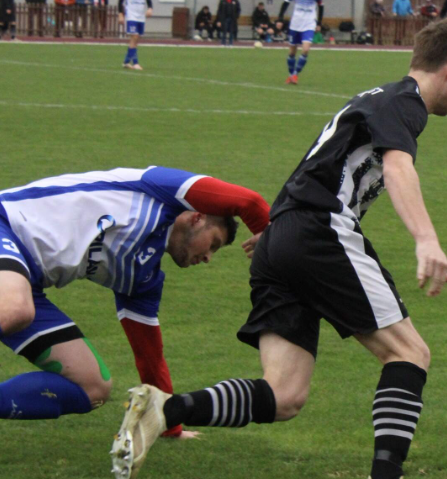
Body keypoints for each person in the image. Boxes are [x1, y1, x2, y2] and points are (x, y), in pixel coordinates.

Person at [110, 20, 447, 479]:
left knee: (284, 395)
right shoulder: (405, 101)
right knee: (410, 353)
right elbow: (398, 168)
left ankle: (163, 408)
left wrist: (280, 236)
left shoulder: (375, 98)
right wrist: (426, 239)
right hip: (318, 230)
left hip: (280, 239)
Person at [0, 167, 270, 435]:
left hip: (25, 284)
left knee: (94, 387)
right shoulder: (155, 187)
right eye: (213, 244)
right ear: (197, 218)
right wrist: (270, 237)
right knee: (16, 309)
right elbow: (249, 202)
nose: (209, 257)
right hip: (6, 226)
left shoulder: (141, 276)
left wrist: (169, 423)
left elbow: (149, 356)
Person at [276, 0, 323, 85]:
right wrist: (280, 19)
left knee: (306, 49)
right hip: (295, 23)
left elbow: (321, 7)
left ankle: (295, 74)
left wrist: (319, 23)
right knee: (292, 52)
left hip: (309, 23)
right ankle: (291, 75)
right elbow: (285, 3)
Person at [118, 0, 152, 70]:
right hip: (131, 15)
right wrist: (120, 14)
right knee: (135, 36)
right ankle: (135, 63)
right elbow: (120, 1)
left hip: (141, 16)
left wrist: (150, 9)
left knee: (136, 39)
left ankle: (126, 62)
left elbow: (149, 1)